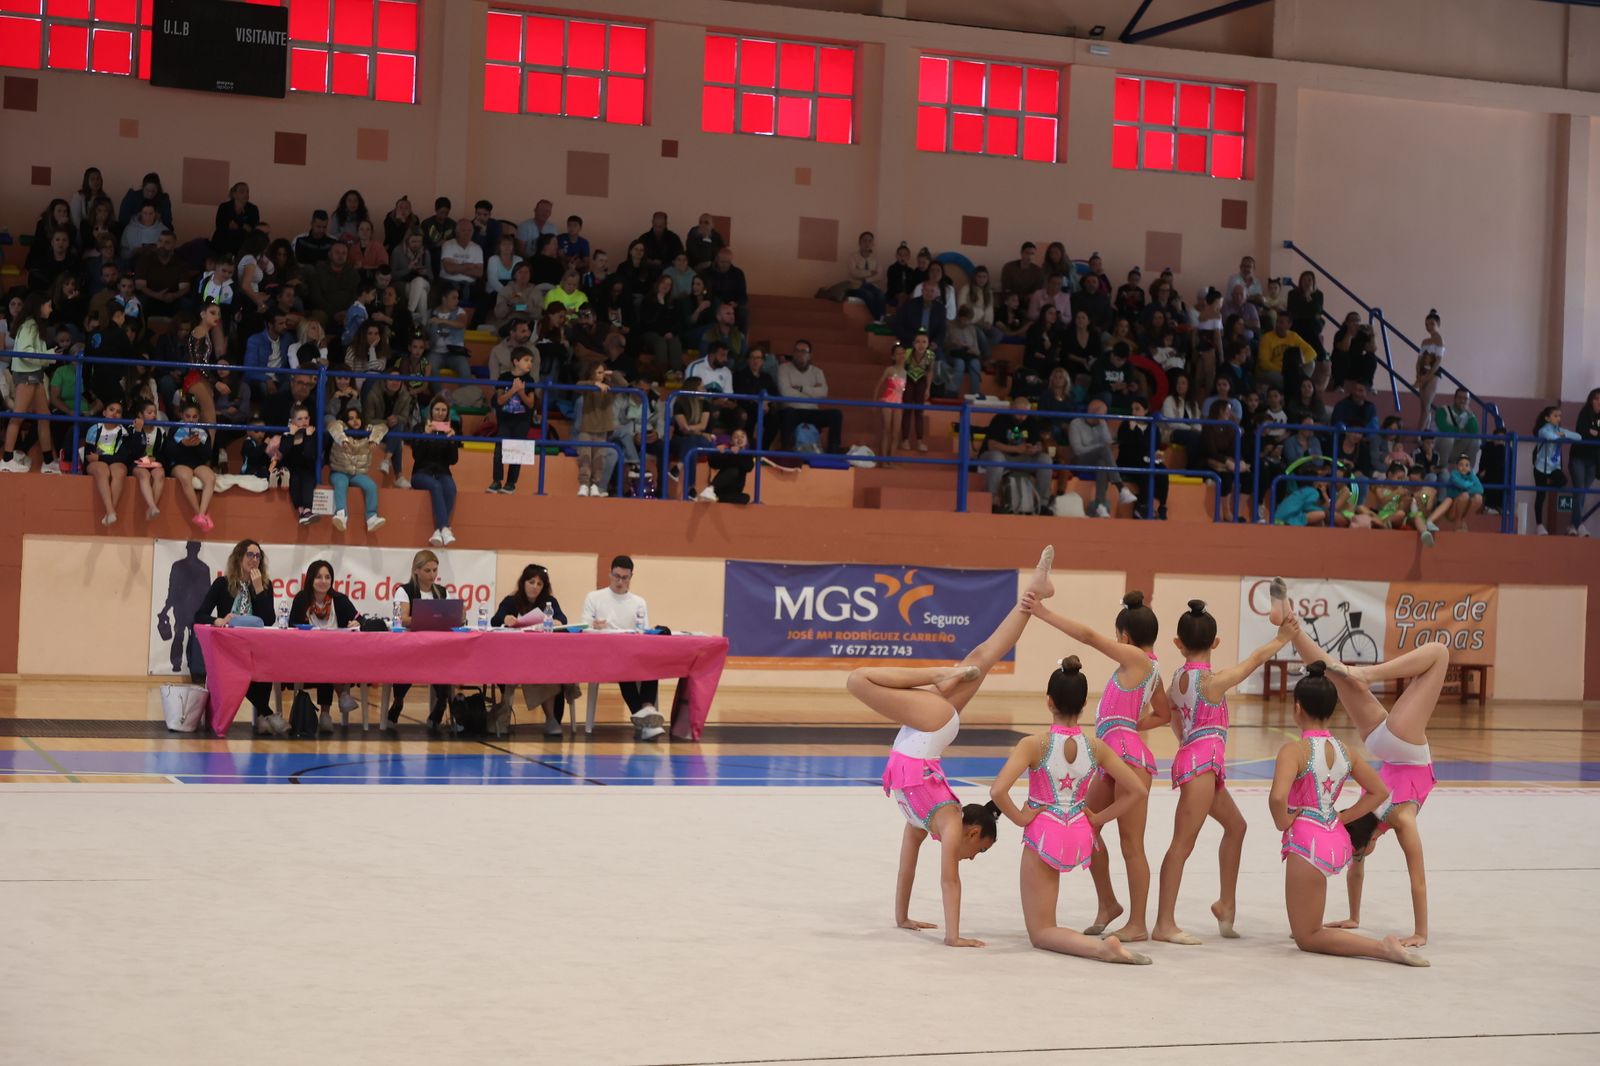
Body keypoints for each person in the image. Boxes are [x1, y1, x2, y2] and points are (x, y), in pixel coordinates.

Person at [847, 546, 1054, 948]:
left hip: (926, 731)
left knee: (983, 656)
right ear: (973, 831)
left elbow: (906, 867)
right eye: (979, 849)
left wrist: (902, 916)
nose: (972, 857)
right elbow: (949, 880)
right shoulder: (948, 819)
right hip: (930, 728)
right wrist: (953, 937)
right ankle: (940, 676)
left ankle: (1033, 593)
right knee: (857, 680)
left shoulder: (921, 819)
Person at [1279, 598, 1448, 955]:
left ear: (1367, 841)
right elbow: (1363, 868)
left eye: (1363, 852)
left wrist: (1421, 931)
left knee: (1439, 654)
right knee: (1336, 674)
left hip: (1404, 747)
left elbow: (1417, 877)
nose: (1364, 855)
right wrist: (1352, 918)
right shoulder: (1365, 819)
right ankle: (1294, 628)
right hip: (1382, 742)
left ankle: (1369, 673)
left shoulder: (1398, 818)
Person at [1142, 600, 1294, 945]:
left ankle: (1226, 904)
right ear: (1217, 643)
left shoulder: (1179, 679)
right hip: (1201, 764)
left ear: (1178, 644)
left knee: (1236, 827)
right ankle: (1164, 923)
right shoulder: (1211, 682)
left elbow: (1174, 721)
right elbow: (1253, 661)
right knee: (1181, 844)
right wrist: (1282, 638)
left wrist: (1190, 742)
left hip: (1199, 760)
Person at [1020, 590, 1165, 944]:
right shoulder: (1150, 669)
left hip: (1125, 758)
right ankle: (1108, 903)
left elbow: (1087, 636)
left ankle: (1138, 923)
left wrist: (1043, 613)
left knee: (1132, 845)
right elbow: (1164, 713)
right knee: (1090, 827)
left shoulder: (1135, 659)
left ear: (1125, 637)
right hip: (1115, 755)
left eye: (1117, 637)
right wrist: (1127, 724)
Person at [987, 656, 1152, 965]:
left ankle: (1102, 948)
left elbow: (998, 791)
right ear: (1084, 704)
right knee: (1044, 925)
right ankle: (1105, 930)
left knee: (1041, 932)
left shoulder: (1033, 744)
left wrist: (1022, 817)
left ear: (1049, 702)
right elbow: (1138, 790)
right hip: (1079, 831)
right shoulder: (1097, 746)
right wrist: (1099, 818)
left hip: (1045, 832)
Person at [1267, 657, 1426, 966]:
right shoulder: (1345, 750)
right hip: (1334, 838)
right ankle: (1311, 917)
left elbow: (1277, 798)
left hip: (1307, 842)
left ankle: (1382, 948)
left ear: (1297, 708)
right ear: (1332, 710)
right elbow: (1379, 792)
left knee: (1308, 937)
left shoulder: (1294, 751)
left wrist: (1283, 822)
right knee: (1305, 925)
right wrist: (1343, 818)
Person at [195, 540, 285, 736]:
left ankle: (263, 717)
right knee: (241, 670)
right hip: (229, 649)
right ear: (239, 558)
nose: (254, 560)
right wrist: (218, 620)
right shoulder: (222, 584)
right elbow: (199, 615)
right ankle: (268, 713)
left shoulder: (264, 586)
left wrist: (259, 589)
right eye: (250, 555)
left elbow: (268, 620)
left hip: (254, 647)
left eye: (258, 556)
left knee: (265, 663)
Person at [581, 556, 666, 740]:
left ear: (631, 577)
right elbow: (583, 628)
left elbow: (645, 633)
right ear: (610, 574)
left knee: (652, 664)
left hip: (632, 655)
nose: (620, 581)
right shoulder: (594, 597)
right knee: (624, 668)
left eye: (625, 577)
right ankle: (646, 716)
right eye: (616, 576)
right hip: (604, 657)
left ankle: (646, 710)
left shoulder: (638, 602)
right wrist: (594, 626)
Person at [490, 563, 570, 735]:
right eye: (531, 582)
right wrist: (506, 618)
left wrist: (558, 622)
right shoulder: (511, 601)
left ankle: (551, 719)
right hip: (512, 657)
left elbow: (563, 619)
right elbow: (495, 620)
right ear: (523, 582)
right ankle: (503, 717)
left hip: (539, 657)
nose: (535, 587)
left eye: (539, 584)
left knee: (550, 673)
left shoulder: (550, 602)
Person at [287, 559, 365, 733]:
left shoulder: (340, 600)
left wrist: (355, 623)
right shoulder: (301, 599)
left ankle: (326, 714)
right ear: (310, 580)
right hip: (307, 655)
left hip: (336, 655)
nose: (323, 581)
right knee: (324, 658)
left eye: (327, 577)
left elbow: (361, 619)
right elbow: (292, 624)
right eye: (318, 577)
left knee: (327, 658)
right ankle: (336, 701)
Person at [386, 549, 455, 735]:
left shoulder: (441, 592)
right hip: (411, 645)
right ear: (416, 570)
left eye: (435, 570)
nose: (432, 575)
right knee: (407, 665)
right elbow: (403, 619)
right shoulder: (405, 591)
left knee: (447, 666)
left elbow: (449, 618)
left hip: (436, 646)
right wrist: (430, 616)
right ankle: (398, 701)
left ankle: (440, 706)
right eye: (427, 570)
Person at [0, 293, 59, 474]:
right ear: (40, 306)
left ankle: (48, 461)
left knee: (44, 417)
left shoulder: (31, 325)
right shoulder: (30, 325)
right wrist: (49, 356)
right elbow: (26, 353)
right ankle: (7, 459)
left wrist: (48, 355)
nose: (50, 309)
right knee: (18, 415)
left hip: (34, 374)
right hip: (27, 375)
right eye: (48, 305)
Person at [979, 395, 1050, 513]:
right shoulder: (1000, 419)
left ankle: (1041, 504)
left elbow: (1038, 443)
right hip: (999, 456)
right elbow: (992, 445)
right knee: (997, 457)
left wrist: (1035, 449)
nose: (1022, 416)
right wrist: (1016, 449)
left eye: (1025, 413)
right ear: (1011, 408)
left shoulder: (1031, 421)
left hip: (1023, 458)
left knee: (1045, 459)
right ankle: (992, 501)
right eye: (1019, 412)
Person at [326, 407, 386, 532]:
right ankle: (341, 515)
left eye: (357, 417)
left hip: (358, 473)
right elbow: (333, 426)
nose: (355, 421)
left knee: (371, 486)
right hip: (339, 471)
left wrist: (374, 439)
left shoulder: (367, 431)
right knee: (341, 484)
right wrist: (342, 440)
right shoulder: (342, 428)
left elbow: (382, 427)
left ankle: (371, 517)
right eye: (351, 418)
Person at [776, 340, 843, 453]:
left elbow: (823, 393)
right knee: (788, 413)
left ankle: (833, 449)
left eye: (803, 351)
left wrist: (801, 388)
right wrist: (812, 393)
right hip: (792, 410)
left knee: (836, 415)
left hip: (812, 411)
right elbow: (786, 393)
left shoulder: (817, 372)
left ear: (810, 355)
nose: (799, 354)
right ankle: (786, 450)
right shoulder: (783, 368)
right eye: (796, 351)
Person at [412, 396, 461, 546]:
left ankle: (439, 531)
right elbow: (417, 456)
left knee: (451, 488)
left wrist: (452, 441)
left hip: (442, 472)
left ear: (448, 413)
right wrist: (425, 436)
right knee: (435, 486)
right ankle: (444, 528)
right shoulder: (419, 428)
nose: (440, 413)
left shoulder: (451, 430)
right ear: (431, 411)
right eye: (437, 409)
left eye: (444, 410)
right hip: (421, 473)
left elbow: (453, 460)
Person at [82, 400, 141, 525]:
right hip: (97, 463)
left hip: (112, 461)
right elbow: (89, 456)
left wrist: (101, 458)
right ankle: (110, 510)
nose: (114, 413)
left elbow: (122, 457)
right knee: (102, 469)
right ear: (104, 412)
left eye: (118, 412)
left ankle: (110, 513)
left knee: (119, 471)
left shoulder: (124, 432)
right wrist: (100, 460)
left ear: (121, 417)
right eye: (111, 409)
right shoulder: (94, 429)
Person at [489, 347, 538, 495]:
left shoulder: (530, 380)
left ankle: (511, 483)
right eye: (526, 360)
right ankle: (497, 480)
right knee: (499, 451)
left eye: (531, 361)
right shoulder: (504, 377)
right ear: (516, 362)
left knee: (517, 452)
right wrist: (512, 390)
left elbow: (530, 403)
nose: (530, 364)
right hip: (505, 420)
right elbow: (499, 400)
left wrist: (521, 391)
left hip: (522, 421)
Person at [165, 400, 217, 532]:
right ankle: (198, 513)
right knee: (185, 476)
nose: (191, 420)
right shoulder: (175, 428)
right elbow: (168, 452)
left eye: (194, 417)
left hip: (198, 464)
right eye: (188, 416)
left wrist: (198, 445)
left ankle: (201, 514)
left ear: (199, 416)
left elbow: (208, 454)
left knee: (210, 478)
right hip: (179, 463)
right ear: (181, 415)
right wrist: (183, 445)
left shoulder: (203, 429)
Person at [1533, 404, 1581, 536]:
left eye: (1560, 416)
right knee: (1540, 496)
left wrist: (1564, 433)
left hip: (1554, 467)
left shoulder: (1559, 429)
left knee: (1562, 480)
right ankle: (1539, 525)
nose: (1558, 418)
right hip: (1541, 467)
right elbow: (1549, 436)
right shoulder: (1543, 429)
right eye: (1555, 416)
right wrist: (1560, 435)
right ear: (1547, 418)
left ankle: (1547, 486)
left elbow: (1578, 436)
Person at [1570, 387, 1600, 537]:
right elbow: (1581, 432)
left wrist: (1595, 433)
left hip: (1593, 461)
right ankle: (1578, 524)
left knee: (1583, 492)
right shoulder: (1584, 414)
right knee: (1579, 490)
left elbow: (1594, 434)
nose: (1599, 402)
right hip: (1579, 458)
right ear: (1591, 400)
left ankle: (1573, 525)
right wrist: (1591, 433)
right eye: (1596, 399)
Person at [698, 427, 755, 504]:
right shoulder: (727, 452)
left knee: (745, 498)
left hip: (734, 492)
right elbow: (713, 464)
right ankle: (710, 490)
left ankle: (715, 498)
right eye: (736, 437)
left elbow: (749, 467)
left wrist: (737, 454)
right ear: (731, 441)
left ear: (746, 440)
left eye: (742, 436)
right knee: (734, 471)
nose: (739, 438)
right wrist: (718, 453)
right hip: (720, 487)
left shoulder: (747, 454)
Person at [900, 331, 934, 453]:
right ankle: (905, 440)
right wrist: (901, 387)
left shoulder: (930, 355)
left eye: (924, 342)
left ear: (928, 344)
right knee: (907, 410)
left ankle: (920, 441)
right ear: (913, 343)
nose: (921, 345)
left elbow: (930, 372)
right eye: (918, 342)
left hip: (921, 381)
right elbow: (901, 370)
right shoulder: (908, 353)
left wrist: (928, 389)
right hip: (908, 380)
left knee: (919, 412)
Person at [874, 345, 907, 460]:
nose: (901, 355)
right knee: (886, 430)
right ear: (893, 356)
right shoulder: (890, 369)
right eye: (898, 353)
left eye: (903, 353)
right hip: (887, 401)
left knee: (895, 434)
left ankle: (891, 460)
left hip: (899, 403)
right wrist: (874, 402)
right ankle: (883, 460)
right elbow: (878, 386)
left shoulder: (907, 373)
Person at [1414, 310, 1445, 429]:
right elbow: (1419, 359)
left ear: (1438, 324)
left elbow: (1438, 360)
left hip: (1433, 373)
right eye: (1427, 324)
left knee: (1427, 405)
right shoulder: (1424, 341)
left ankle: (1419, 433)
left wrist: (1428, 376)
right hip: (1423, 371)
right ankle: (1424, 431)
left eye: (1432, 324)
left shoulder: (1439, 339)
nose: (1429, 327)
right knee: (1423, 406)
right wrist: (1418, 374)